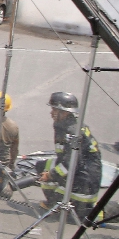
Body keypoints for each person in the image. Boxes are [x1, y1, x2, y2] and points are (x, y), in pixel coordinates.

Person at [39, 91, 102, 222]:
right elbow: (63, 156)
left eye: (54, 109)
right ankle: (53, 201)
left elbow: (72, 162)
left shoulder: (72, 131)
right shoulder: (62, 125)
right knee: (43, 165)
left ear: (65, 112)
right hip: (76, 172)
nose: (51, 113)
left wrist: (50, 175)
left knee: (83, 216)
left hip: (85, 179)